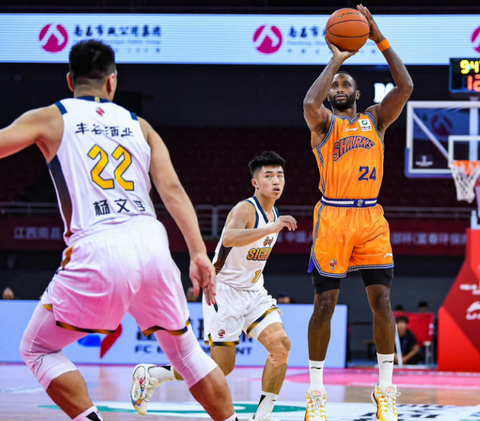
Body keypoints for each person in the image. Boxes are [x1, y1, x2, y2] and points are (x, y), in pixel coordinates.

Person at [0, 40, 236, 421]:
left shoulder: (52, 117)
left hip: (98, 245)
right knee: (188, 353)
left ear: (70, 80)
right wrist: (198, 253)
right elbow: (173, 191)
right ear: (112, 81)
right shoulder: (140, 126)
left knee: (37, 348)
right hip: (152, 242)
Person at [302, 5, 413, 421]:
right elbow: (309, 101)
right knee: (325, 305)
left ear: (358, 94)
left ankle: (385, 389)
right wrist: (337, 59)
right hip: (333, 217)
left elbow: (405, 85)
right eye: (336, 84)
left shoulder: (375, 121)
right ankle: (316, 392)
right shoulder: (323, 124)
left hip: (370, 218)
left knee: (382, 301)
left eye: (346, 83)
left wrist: (378, 37)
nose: (339, 87)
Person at [132, 151, 297, 421]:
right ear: (255, 183)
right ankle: (153, 374)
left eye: (280, 175)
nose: (276, 180)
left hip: (254, 291)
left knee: (281, 345)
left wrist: (273, 226)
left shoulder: (274, 213)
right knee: (221, 368)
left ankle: (263, 416)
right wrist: (271, 229)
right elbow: (229, 237)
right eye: (268, 176)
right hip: (224, 292)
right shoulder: (246, 209)